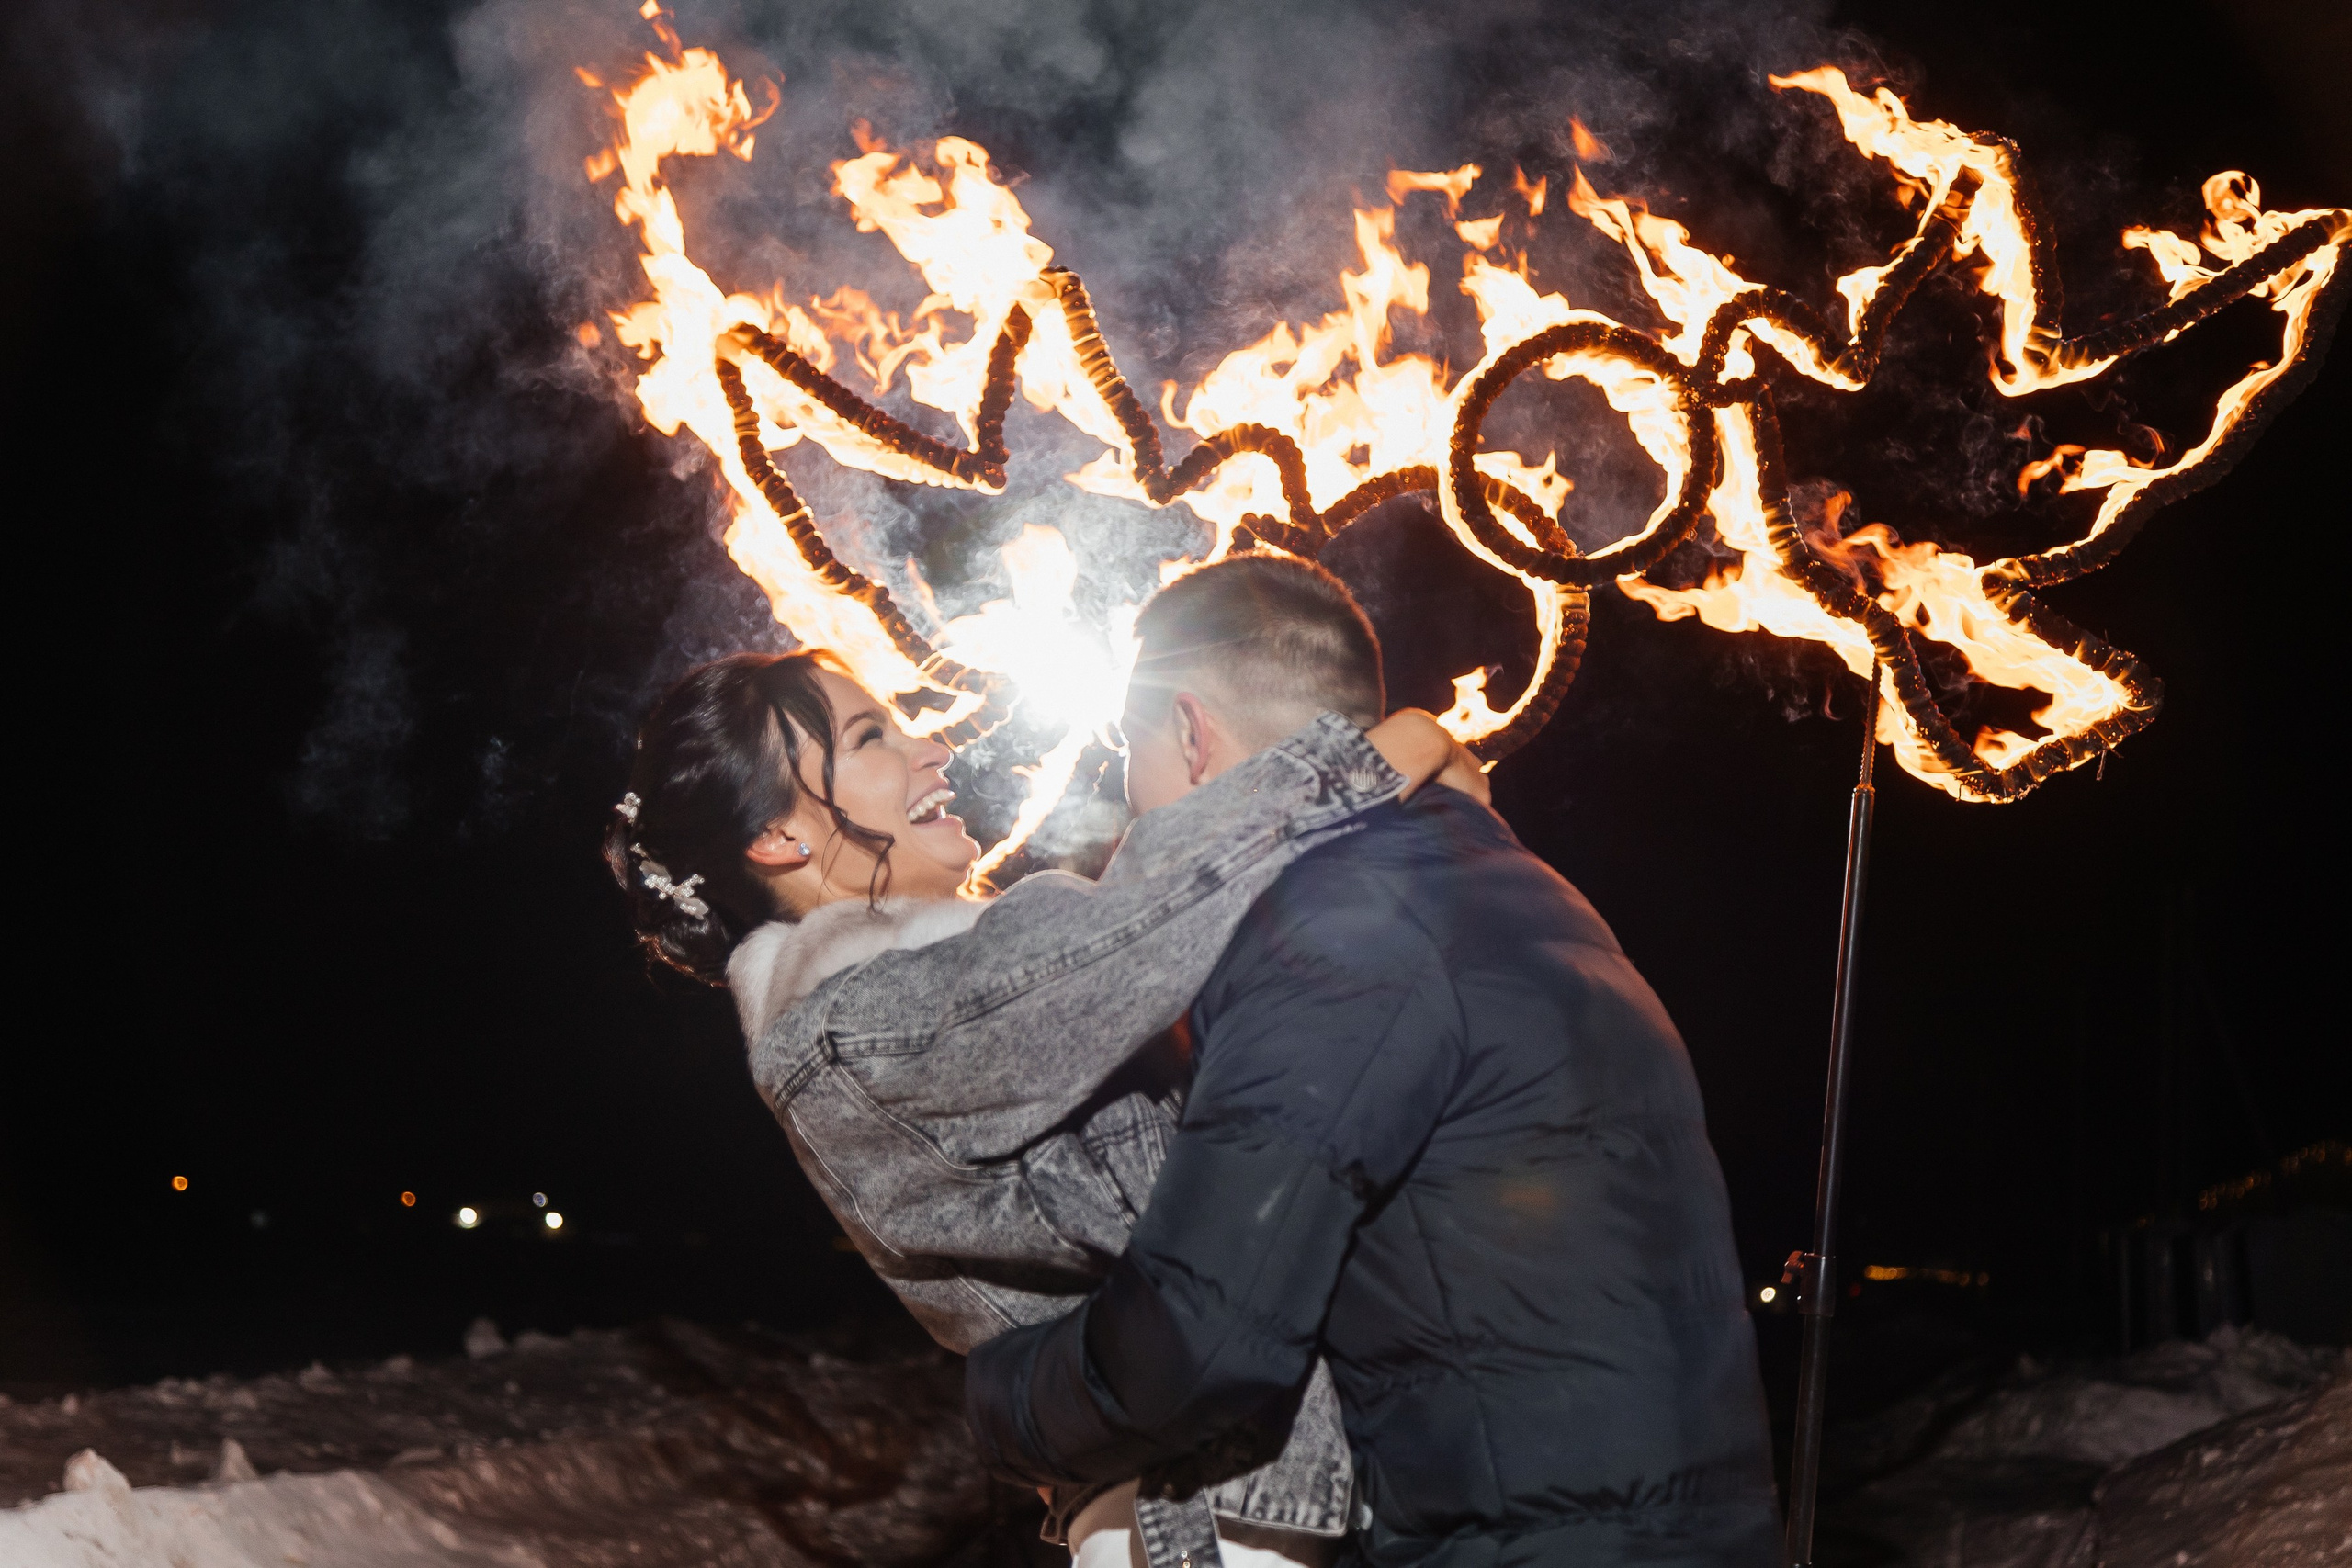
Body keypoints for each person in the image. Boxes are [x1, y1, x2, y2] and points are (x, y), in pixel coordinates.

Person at [605, 557, 1482, 1568]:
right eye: (870, 739)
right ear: (777, 836)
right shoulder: (851, 1033)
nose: (933, 746)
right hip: (1203, 1521)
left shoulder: (946, 985)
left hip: (1257, 1493)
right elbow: (1131, 926)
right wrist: (1363, 761)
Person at [962, 559, 1783, 1567]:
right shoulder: (1506, 881)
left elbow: (1204, 1345)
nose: (1129, 797)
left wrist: (990, 1402)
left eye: (1124, 749)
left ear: (1188, 731)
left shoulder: (1337, 932)